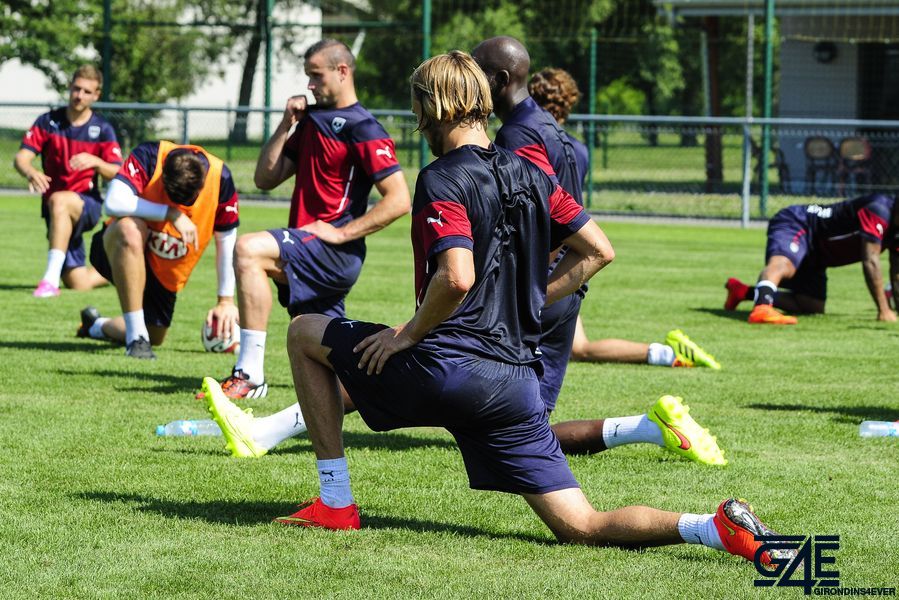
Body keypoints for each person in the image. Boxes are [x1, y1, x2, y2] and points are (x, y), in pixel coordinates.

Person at [200, 52, 791, 570]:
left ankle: (335, 502)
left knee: (305, 332)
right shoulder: (532, 173)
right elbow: (598, 250)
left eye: (418, 105)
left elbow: (456, 277)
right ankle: (713, 527)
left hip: (447, 370)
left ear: (433, 108)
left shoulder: (440, 178)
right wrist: (532, 298)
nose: (416, 117)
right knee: (581, 524)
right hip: (514, 383)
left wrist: (407, 334)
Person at [472, 38, 724, 463]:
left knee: (491, 422)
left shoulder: (517, 135)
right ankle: (648, 426)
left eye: (476, 71)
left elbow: (542, 215)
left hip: (540, 286)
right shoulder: (560, 135)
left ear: (499, 79)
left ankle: (650, 425)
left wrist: (525, 282)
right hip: (565, 285)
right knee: (524, 433)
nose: (470, 80)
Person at [209, 38, 410, 399]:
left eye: (316, 76)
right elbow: (265, 179)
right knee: (318, 344)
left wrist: (341, 233)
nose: (310, 85)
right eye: (308, 76)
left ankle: (249, 374)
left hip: (332, 250)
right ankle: (394, 388)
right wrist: (285, 124)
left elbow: (399, 200)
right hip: (306, 244)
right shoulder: (310, 121)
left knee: (248, 250)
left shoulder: (364, 127)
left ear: (342, 71)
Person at [527, 67, 721, 370]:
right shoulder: (577, 149)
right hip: (573, 254)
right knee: (579, 348)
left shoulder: (529, 143)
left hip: (547, 257)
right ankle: (667, 353)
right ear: (570, 102)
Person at [76, 140, 240, 359]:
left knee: (155, 335)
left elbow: (226, 239)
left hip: (165, 270)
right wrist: (170, 213)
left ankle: (96, 326)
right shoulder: (149, 156)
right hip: (119, 249)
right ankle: (136, 339)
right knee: (129, 228)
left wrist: (225, 300)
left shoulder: (221, 178)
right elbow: (113, 202)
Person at [14, 65, 122, 297]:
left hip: (87, 205)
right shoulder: (48, 122)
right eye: (76, 89)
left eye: (86, 91)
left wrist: (96, 162)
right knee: (78, 281)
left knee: (60, 200)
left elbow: (117, 171)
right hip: (55, 209)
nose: (79, 95)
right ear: (70, 87)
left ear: (96, 95)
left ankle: (49, 282)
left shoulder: (102, 129)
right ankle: (122, 267)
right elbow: (21, 159)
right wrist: (30, 172)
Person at [724, 196, 898, 324]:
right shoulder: (878, 210)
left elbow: (896, 271)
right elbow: (871, 260)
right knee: (784, 265)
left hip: (818, 252)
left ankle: (742, 291)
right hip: (799, 222)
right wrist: (884, 310)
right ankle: (762, 308)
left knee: (811, 305)